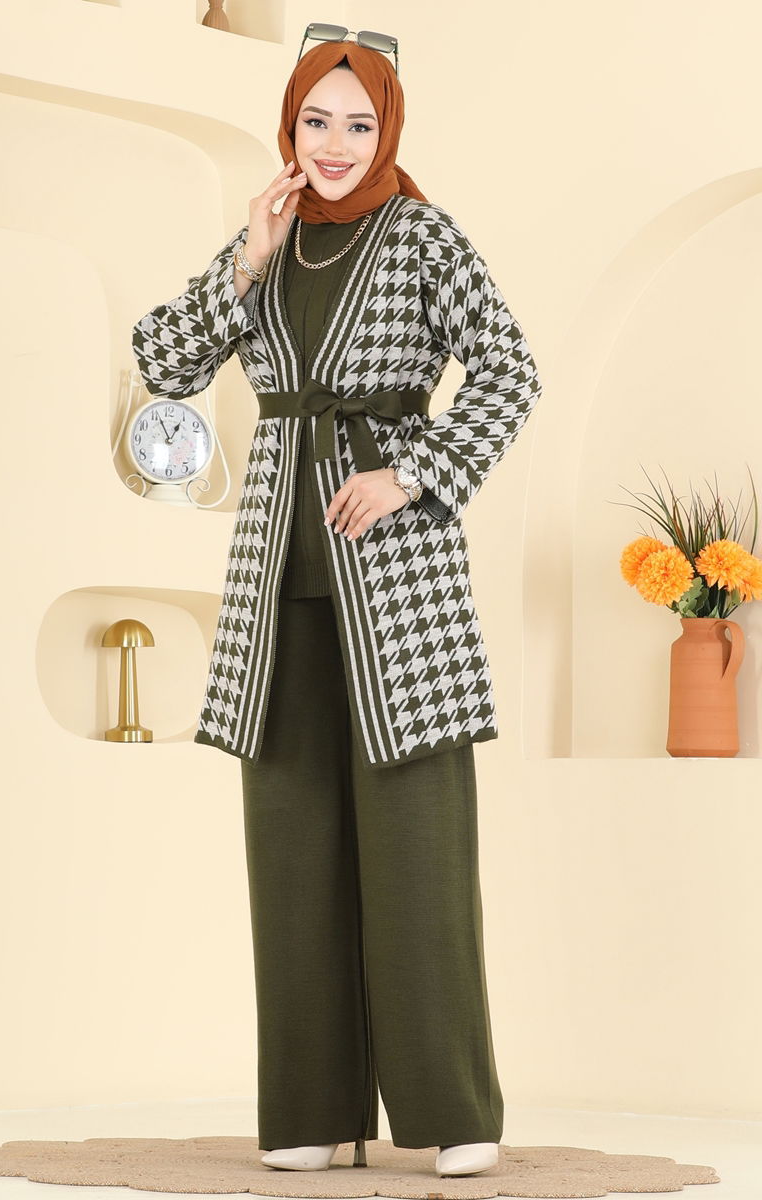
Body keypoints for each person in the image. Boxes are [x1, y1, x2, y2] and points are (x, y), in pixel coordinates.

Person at [131, 27, 543, 1180]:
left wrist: (414, 470)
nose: (335, 143)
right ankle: (309, 1111)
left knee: (416, 851)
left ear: (387, 129)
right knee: (291, 847)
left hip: (397, 579)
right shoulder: (265, 241)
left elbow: (507, 368)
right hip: (277, 578)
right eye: (316, 119)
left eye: (358, 124)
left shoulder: (420, 235)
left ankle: (452, 1112)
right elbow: (161, 362)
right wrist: (244, 262)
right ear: (290, 124)